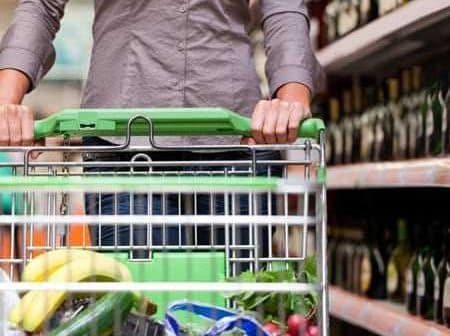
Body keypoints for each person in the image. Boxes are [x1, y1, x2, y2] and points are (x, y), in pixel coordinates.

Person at [0, 0, 323, 262]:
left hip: (235, 142)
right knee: (137, 306)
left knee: (236, 303)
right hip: (122, 147)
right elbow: (41, 7)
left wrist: (291, 99)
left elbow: (283, 9)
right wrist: (5, 102)